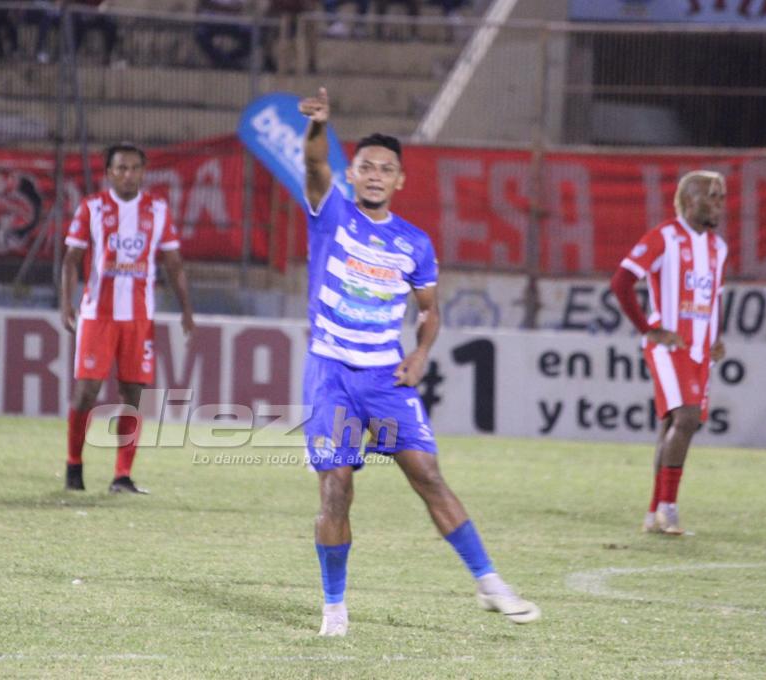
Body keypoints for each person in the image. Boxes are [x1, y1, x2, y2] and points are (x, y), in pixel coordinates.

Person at [298, 87, 540, 637]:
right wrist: (318, 127)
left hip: (385, 378)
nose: (377, 175)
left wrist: (421, 353)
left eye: (387, 169)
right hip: (332, 376)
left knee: (428, 476)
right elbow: (314, 162)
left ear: (400, 180)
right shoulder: (330, 212)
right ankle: (334, 606)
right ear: (352, 174)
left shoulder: (414, 243)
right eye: (367, 167)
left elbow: (429, 311)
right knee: (336, 488)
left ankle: (489, 581)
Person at [60, 142, 195, 494]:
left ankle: (122, 475)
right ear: (109, 173)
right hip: (97, 315)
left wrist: (186, 308)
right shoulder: (91, 208)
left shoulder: (158, 210)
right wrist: (66, 304)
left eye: (134, 168)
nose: (128, 174)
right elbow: (71, 259)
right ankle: (74, 466)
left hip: (139, 317)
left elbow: (174, 264)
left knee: (132, 395)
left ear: (143, 172)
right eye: (121, 168)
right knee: (87, 391)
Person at [610, 170, 729, 536]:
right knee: (687, 418)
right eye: (712, 196)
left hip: (699, 350)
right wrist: (650, 329)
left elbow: (714, 297)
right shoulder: (664, 237)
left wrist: (716, 335)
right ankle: (668, 508)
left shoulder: (718, 247)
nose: (719, 205)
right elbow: (622, 281)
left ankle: (653, 514)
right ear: (690, 200)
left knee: (675, 425)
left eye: (721, 198)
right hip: (669, 346)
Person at [194, 0, 252, 70]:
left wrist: (214, 7)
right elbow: (203, 3)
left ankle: (226, 60)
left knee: (253, 36)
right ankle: (225, 62)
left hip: (232, 23)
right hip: (209, 21)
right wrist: (226, 9)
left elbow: (238, 7)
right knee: (200, 33)